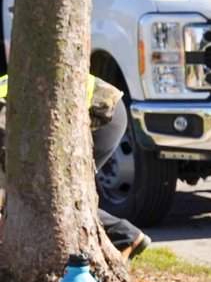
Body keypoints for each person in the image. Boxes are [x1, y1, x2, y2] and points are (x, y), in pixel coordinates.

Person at [0, 73, 150, 259]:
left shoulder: (3, 114)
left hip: (102, 115)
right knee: (49, 193)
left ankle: (126, 237)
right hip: (89, 110)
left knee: (55, 195)